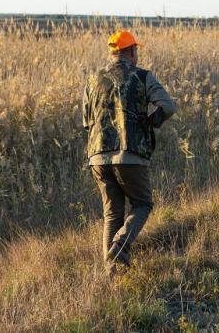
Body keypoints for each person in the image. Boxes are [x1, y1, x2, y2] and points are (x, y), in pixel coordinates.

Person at [82, 30, 177, 270]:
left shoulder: (93, 80)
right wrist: (152, 121)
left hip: (98, 156)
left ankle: (109, 273)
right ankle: (120, 247)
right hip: (130, 153)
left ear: (113, 52)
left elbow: (86, 120)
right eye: (136, 50)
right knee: (142, 204)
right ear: (132, 51)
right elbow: (167, 106)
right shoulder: (142, 76)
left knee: (112, 213)